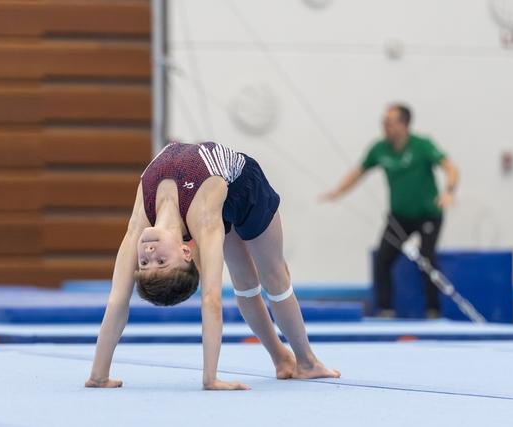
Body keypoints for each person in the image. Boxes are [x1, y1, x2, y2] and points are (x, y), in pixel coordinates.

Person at [86, 141, 340, 391]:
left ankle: (304, 360)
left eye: (144, 262)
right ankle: (289, 360)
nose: (149, 253)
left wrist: (99, 375)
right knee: (248, 282)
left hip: (245, 185)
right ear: (186, 251)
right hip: (216, 198)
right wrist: (211, 378)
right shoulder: (205, 223)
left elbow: (116, 300)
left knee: (273, 275)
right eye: (160, 262)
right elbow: (211, 299)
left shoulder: (141, 222)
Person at [321, 104, 459, 317]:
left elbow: (450, 167)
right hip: (399, 217)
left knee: (427, 258)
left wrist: (449, 191)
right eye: (383, 122)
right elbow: (359, 171)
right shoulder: (379, 149)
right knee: (383, 258)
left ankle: (433, 310)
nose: (384, 126)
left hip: (428, 215)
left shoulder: (422, 145)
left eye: (389, 122)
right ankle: (386, 309)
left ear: (404, 125)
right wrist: (338, 192)